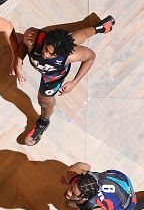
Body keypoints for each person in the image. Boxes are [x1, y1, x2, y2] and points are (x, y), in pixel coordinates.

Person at [16, 16, 115, 145]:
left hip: (53, 76)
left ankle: (43, 123)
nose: (46, 54)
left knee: (44, 101)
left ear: (61, 54)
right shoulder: (32, 37)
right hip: (51, 47)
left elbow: (91, 57)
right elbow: (24, 43)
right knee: (72, 37)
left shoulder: (71, 54)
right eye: (46, 49)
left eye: (52, 54)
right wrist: (17, 63)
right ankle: (99, 27)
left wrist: (75, 82)